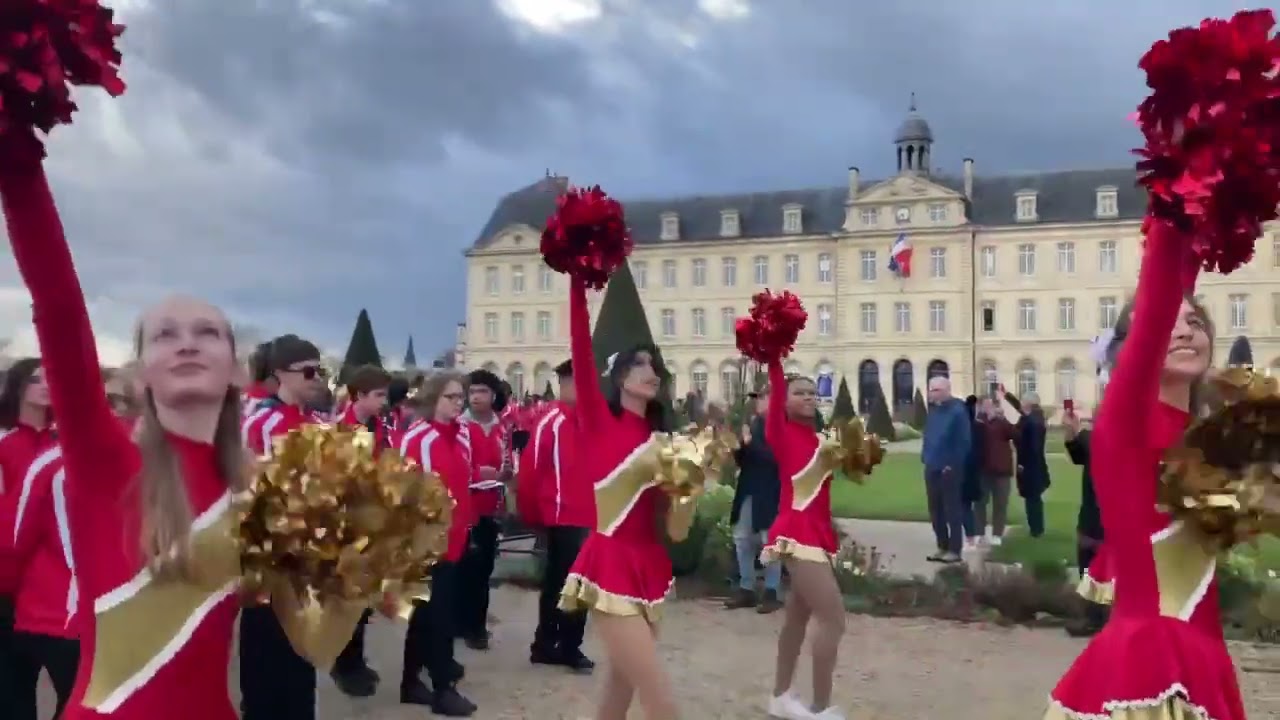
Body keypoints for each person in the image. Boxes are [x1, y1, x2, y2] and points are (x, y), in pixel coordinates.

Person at [1045, 220, 1245, 719]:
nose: (1185, 329)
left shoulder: (1205, 431)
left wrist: (1204, 229)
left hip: (1203, 654)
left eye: (1196, 323)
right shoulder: (1126, 418)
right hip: (1150, 662)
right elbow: (1158, 298)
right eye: (1169, 323)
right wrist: (1177, 199)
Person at [557, 273, 678, 720]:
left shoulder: (661, 436)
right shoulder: (598, 418)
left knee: (620, 690)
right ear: (621, 376)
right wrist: (575, 281)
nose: (652, 372)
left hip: (648, 563)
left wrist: (684, 496)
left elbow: (671, 523)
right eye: (641, 365)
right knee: (660, 700)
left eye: (654, 367)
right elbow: (579, 348)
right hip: (609, 562)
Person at [239, 334, 331, 720]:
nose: (317, 379)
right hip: (268, 555)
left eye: (320, 371)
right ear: (281, 374)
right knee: (265, 659)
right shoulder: (260, 421)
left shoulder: (316, 423)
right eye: (308, 371)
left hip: (306, 555)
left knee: (300, 658)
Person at [760, 364, 850, 720]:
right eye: (800, 392)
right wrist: (774, 356)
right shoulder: (780, 432)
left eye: (813, 393)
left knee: (798, 617)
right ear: (784, 400)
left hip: (817, 533)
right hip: (797, 532)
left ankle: (780, 696)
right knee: (834, 618)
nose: (809, 397)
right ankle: (821, 707)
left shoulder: (821, 440)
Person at [398, 371, 476, 717]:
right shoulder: (418, 437)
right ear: (433, 398)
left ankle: (411, 681)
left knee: (427, 614)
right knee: (437, 616)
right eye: (451, 397)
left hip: (456, 536)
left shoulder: (462, 435)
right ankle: (443, 688)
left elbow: (464, 483)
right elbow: (406, 490)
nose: (458, 404)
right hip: (427, 541)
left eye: (461, 397)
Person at [328, 363, 393, 697]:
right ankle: (344, 664)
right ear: (359, 396)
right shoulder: (341, 430)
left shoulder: (382, 427)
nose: (384, 401)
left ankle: (356, 659)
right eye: (378, 395)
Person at [0, 358, 59, 716]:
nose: (45, 385)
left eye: (50, 378)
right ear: (18, 387)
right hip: (8, 583)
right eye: (36, 379)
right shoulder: (5, 443)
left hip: (55, 588)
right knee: (12, 695)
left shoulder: (65, 440)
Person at [528, 359, 595, 673]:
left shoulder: (590, 421)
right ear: (565, 383)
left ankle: (558, 644)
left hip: (588, 515)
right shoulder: (550, 421)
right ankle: (556, 644)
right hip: (561, 515)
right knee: (564, 583)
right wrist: (535, 517)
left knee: (576, 584)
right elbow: (531, 471)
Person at [457, 369, 510, 651]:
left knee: (484, 568)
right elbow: (454, 465)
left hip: (491, 507)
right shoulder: (460, 426)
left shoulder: (501, 427)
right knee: (464, 569)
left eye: (482, 392)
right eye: (473, 391)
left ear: (493, 395)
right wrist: (479, 473)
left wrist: (506, 473)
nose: (476, 397)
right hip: (466, 508)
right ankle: (465, 625)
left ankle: (475, 625)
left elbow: (504, 461)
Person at [725, 390, 782, 612]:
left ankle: (772, 591)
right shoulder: (755, 423)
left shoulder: (781, 426)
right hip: (748, 488)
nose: (757, 402)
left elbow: (775, 458)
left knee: (770, 541)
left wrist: (750, 444)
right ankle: (746, 588)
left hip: (770, 490)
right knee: (742, 539)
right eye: (756, 398)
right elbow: (745, 459)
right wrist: (739, 448)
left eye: (763, 397)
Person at [1062, 407, 1108, 637]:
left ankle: (1100, 620)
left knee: (1101, 569)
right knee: (1088, 568)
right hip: (1090, 515)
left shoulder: (1112, 441)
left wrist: (1079, 430)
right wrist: (1070, 432)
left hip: (1107, 518)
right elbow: (1078, 453)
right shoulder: (1096, 441)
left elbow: (1093, 443)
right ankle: (1093, 618)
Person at [920, 376, 970, 564]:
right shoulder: (934, 411)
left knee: (952, 509)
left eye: (935, 390)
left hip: (949, 469)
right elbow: (929, 435)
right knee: (935, 510)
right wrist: (925, 456)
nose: (931, 393)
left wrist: (952, 464)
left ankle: (955, 550)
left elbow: (963, 441)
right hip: (931, 466)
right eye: (931, 389)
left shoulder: (958, 411)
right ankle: (942, 546)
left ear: (946, 390)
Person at [1002, 390, 1050, 538]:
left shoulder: (1033, 422)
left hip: (1031, 466)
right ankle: (1036, 528)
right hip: (1034, 465)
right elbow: (1019, 408)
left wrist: (1023, 463)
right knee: (1033, 497)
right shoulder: (1033, 417)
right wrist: (1007, 395)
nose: (1021, 404)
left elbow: (1032, 447)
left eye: (1023, 401)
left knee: (1032, 498)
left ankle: (1036, 530)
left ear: (1029, 404)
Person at [974, 396, 1016, 546]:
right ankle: (979, 532)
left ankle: (997, 533)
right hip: (982, 470)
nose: (987, 408)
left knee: (1001, 503)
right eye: (984, 405)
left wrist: (1002, 418)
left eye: (990, 405)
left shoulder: (1002, 422)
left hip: (1002, 470)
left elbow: (1013, 434)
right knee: (980, 503)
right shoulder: (977, 422)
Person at [961, 395, 983, 549]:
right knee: (967, 505)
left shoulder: (962, 428)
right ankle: (972, 536)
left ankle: (970, 537)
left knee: (963, 505)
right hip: (973, 469)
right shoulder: (978, 427)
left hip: (963, 469)